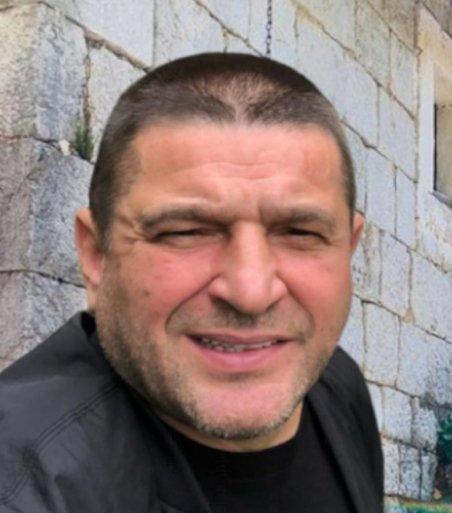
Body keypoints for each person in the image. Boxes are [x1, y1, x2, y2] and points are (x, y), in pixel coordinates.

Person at [0, 53, 383, 513]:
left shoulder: (335, 386)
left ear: (348, 249)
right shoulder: (24, 485)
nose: (250, 292)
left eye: (300, 232)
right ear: (97, 255)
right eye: (186, 232)